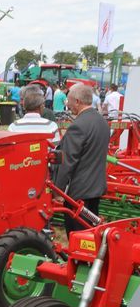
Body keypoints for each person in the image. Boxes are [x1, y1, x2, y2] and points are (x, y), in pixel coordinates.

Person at [52, 83, 110, 234]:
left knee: (77, 235)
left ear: (77, 101)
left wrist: (58, 191)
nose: (68, 104)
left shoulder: (78, 126)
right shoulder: (102, 122)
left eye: (69, 100)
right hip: (96, 189)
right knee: (91, 233)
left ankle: (80, 259)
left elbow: (67, 161)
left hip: (78, 194)